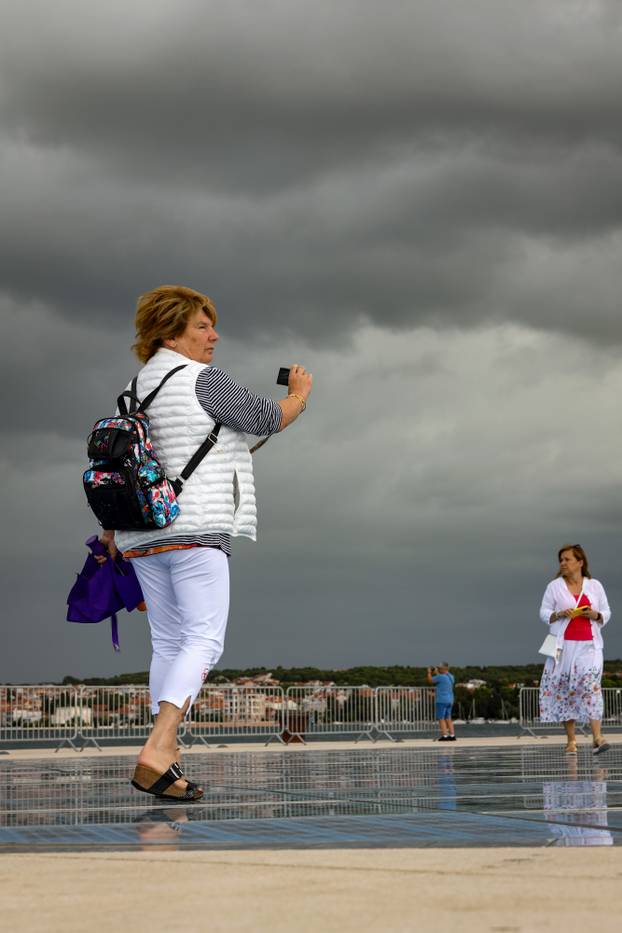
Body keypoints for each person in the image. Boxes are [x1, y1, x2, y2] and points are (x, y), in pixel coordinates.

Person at [96, 284, 313, 800]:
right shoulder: (201, 380)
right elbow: (267, 418)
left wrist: (110, 530)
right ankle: (159, 744)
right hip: (195, 529)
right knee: (204, 639)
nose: (213, 335)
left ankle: (167, 762)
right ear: (171, 332)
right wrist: (300, 393)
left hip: (142, 533)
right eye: (201, 326)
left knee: (169, 643)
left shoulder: (134, 388)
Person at [539, 544, 611, 755]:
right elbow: (544, 611)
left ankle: (597, 737)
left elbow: (606, 611)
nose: (563, 563)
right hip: (562, 646)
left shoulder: (595, 585)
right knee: (565, 690)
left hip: (590, 646)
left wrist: (596, 615)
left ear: (580, 562)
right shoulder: (554, 587)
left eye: (567, 559)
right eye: (561, 560)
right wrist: (559, 614)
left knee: (591, 686)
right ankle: (571, 740)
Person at [427, 663, 455, 741]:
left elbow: (430, 680)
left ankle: (444, 736)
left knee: (441, 718)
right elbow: (442, 676)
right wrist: (437, 672)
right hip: (450, 700)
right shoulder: (451, 677)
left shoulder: (440, 677)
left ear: (443, 669)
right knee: (448, 718)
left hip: (442, 700)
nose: (438, 669)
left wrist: (429, 672)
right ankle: (452, 735)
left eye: (439, 668)